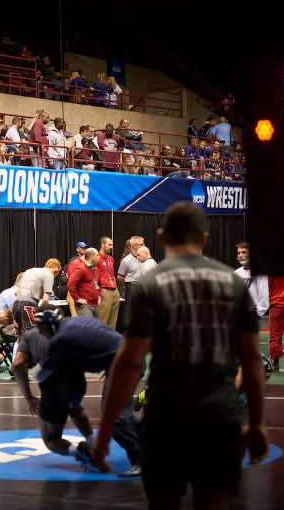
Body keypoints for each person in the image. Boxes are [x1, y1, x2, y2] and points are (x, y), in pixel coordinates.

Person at [93, 202, 268, 510]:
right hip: (219, 417)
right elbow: (252, 360)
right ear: (204, 237)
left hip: (166, 418)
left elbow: (130, 363)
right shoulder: (232, 283)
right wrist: (256, 424)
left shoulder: (149, 285)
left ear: (161, 237)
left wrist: (106, 428)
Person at [15, 308, 141, 475]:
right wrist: (110, 362)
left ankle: (138, 460)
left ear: (44, 329)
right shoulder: (76, 321)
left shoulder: (59, 339)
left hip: (60, 387)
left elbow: (34, 372)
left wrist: (29, 395)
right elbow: (106, 338)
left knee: (114, 417)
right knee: (117, 414)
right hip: (121, 359)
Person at [12, 259, 62, 335]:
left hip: (16, 305)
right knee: (32, 335)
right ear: (57, 269)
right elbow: (45, 300)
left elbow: (16, 291)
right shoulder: (49, 274)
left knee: (20, 336)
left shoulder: (30, 271)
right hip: (28, 306)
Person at [233, 241, 269, 318]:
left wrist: (255, 315)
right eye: (238, 253)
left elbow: (264, 298)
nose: (240, 255)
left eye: (244, 252)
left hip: (253, 315)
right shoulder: (236, 273)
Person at [67, 248, 101, 319]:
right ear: (91, 256)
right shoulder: (81, 269)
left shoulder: (96, 269)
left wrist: (99, 296)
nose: (99, 257)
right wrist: (77, 299)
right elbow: (70, 284)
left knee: (96, 325)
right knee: (87, 325)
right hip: (85, 306)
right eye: (97, 255)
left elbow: (96, 284)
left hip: (95, 304)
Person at [97, 237, 120, 329]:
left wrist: (117, 291)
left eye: (112, 245)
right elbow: (94, 278)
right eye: (109, 245)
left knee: (113, 319)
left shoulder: (111, 258)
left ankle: (111, 337)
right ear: (102, 244)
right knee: (103, 318)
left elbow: (113, 275)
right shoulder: (96, 258)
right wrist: (98, 293)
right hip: (104, 290)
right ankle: (101, 337)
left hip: (114, 290)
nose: (111, 247)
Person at [117, 235, 144, 301]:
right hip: (131, 289)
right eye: (142, 244)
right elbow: (119, 277)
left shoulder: (145, 258)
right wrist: (129, 282)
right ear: (135, 245)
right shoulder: (126, 260)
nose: (144, 246)